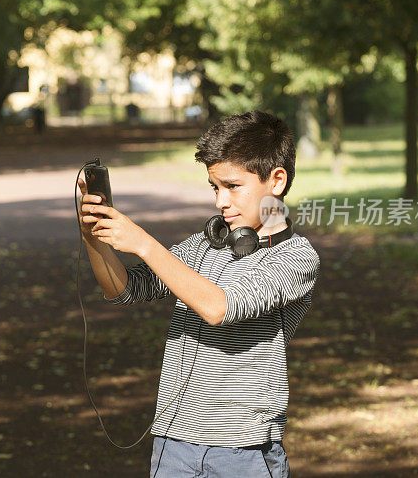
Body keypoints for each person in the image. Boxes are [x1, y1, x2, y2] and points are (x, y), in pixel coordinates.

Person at [77, 110, 320, 477]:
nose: (220, 202)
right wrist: (94, 237)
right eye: (214, 187)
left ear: (277, 181)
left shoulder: (296, 258)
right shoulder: (207, 243)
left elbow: (219, 307)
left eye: (232, 186)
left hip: (243, 448)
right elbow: (125, 290)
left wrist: (143, 243)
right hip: (172, 441)